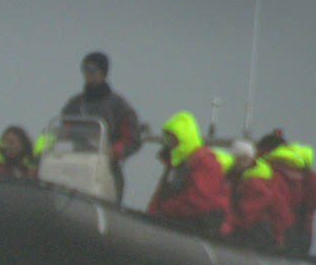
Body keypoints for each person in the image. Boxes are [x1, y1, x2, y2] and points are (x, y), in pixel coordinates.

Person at [60, 51, 142, 202]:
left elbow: (133, 140)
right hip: (75, 165)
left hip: (106, 168)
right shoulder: (74, 104)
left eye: (91, 70)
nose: (87, 74)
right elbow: (62, 134)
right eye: (84, 69)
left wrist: (112, 151)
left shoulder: (119, 106)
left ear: (103, 72)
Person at [147, 110, 229, 237]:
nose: (169, 143)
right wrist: (152, 214)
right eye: (167, 138)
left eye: (172, 138)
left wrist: (165, 209)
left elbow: (198, 202)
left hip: (200, 225)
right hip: (176, 220)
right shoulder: (176, 163)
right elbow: (161, 193)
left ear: (184, 137)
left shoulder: (205, 162)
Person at [257, 130, 316, 257]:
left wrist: (279, 237)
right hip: (302, 233)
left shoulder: (268, 172)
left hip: (277, 234)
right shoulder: (304, 174)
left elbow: (278, 208)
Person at [223, 138, 293, 254]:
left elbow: (246, 215)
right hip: (253, 229)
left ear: (249, 158)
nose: (237, 162)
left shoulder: (256, 183)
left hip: (258, 232)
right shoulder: (238, 176)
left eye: (241, 159)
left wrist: (225, 227)